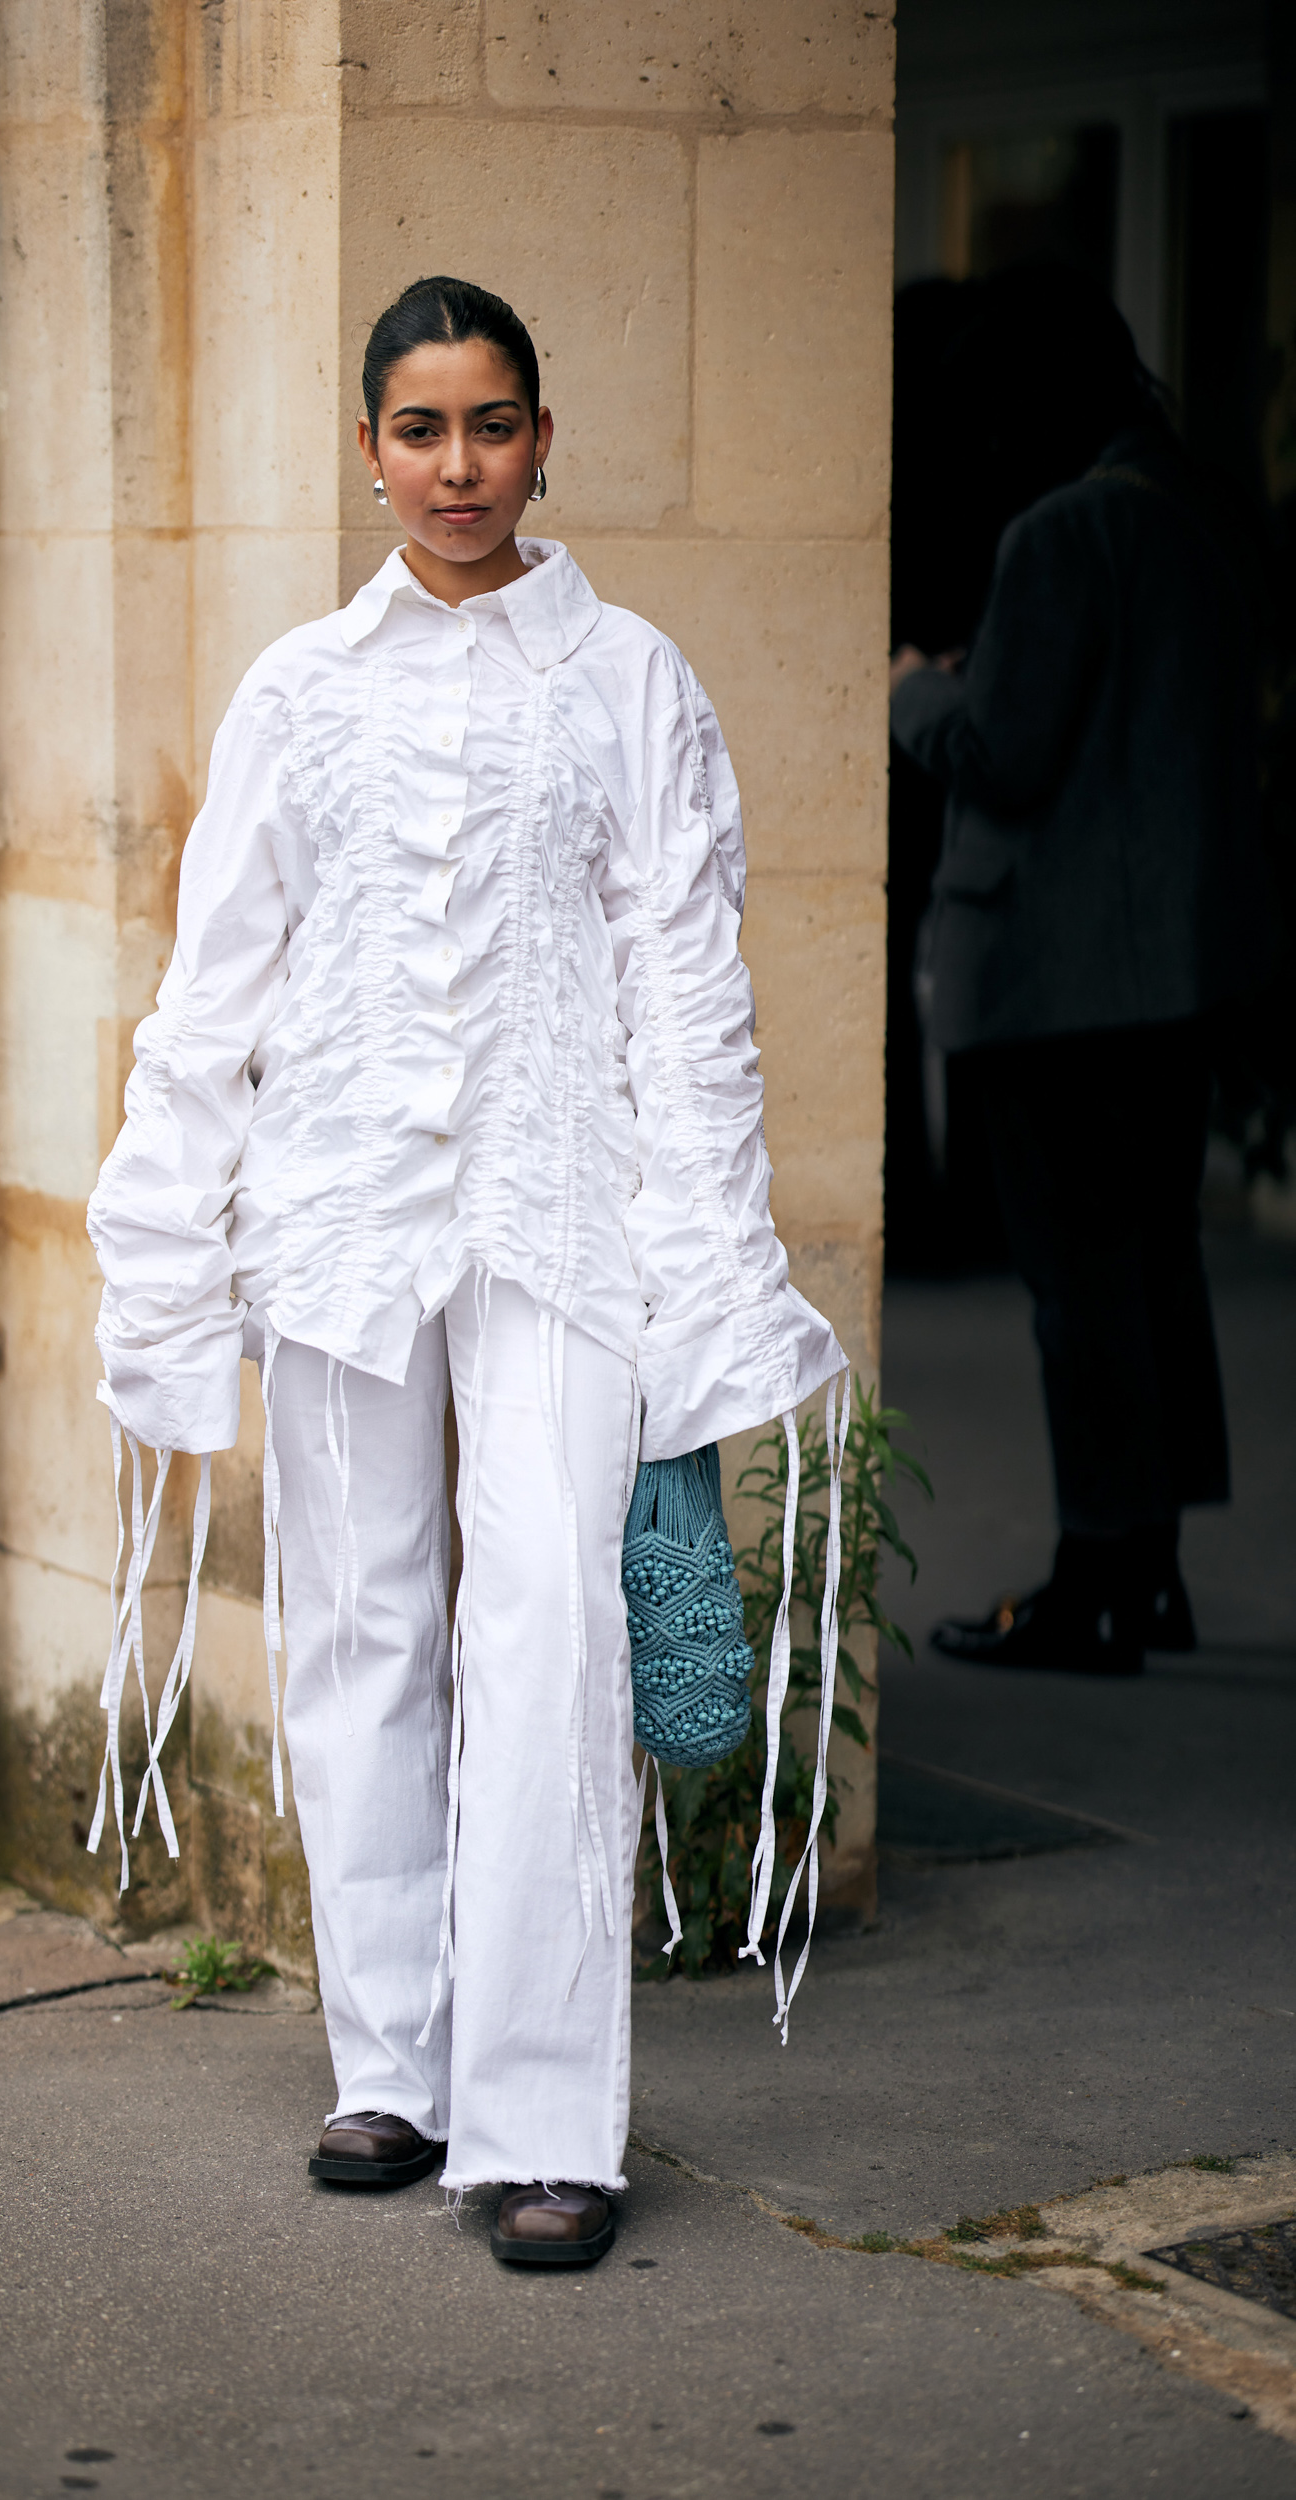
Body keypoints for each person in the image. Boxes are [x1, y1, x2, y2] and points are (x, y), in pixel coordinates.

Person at [87, 277, 844, 2266]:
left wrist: (708, 1265)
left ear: (541, 438)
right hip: (338, 1220)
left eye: (491, 424)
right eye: (418, 429)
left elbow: (693, 999)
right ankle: (394, 2061)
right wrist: (170, 1238)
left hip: (561, 1215)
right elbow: (215, 979)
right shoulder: (297, 693)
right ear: (368, 449)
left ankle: (549, 2121)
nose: (456, 467)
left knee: (549, 1634)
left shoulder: (631, 680)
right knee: (357, 1628)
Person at [890, 264, 1270, 1678]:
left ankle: (1094, 1580)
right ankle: (1144, 1567)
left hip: (1058, 979)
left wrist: (916, 690)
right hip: (1170, 975)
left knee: (1080, 1286)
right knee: (1150, 1264)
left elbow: (1004, 751)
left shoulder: (1063, 533)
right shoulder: (1195, 512)